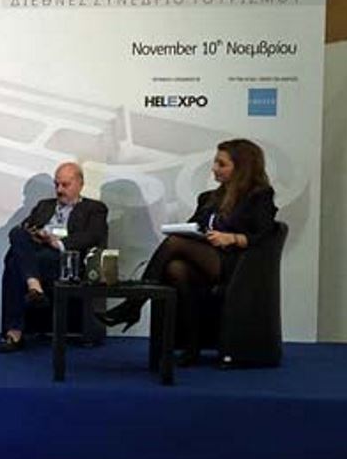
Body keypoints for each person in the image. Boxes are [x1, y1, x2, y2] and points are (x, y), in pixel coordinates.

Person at [96, 138, 277, 366]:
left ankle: (133, 305)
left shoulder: (259, 196)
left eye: (222, 164)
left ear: (242, 168)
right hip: (207, 259)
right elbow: (194, 226)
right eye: (215, 162)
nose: (214, 168)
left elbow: (265, 234)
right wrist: (193, 232)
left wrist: (232, 238)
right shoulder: (210, 198)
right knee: (176, 269)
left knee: (174, 244)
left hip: (236, 264)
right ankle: (191, 348)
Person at [0, 162, 108, 353]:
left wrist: (58, 243)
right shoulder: (44, 206)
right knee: (16, 233)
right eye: (57, 185)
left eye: (65, 185)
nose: (59, 190)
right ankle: (34, 286)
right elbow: (26, 227)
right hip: (36, 253)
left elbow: (93, 236)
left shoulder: (94, 208)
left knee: (14, 263)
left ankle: (14, 333)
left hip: (65, 260)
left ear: (80, 184)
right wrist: (36, 234)